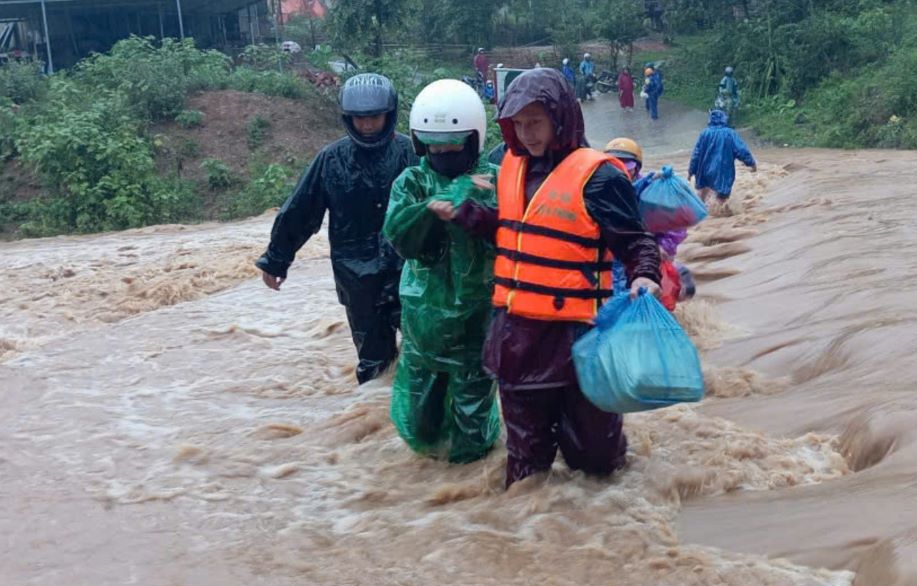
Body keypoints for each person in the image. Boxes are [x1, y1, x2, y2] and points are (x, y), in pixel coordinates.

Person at [435, 68, 662, 489]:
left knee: (596, 461)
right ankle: (525, 537)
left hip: (579, 340)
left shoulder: (600, 177)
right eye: (517, 125)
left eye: (534, 122)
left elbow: (636, 242)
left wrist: (645, 275)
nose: (526, 134)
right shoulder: (511, 168)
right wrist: (469, 216)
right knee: (525, 465)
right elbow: (516, 231)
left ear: (560, 117)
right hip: (518, 340)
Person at [256, 73, 415, 384]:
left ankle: (413, 427)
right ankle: (371, 422)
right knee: (374, 365)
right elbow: (300, 211)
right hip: (357, 281)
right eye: (359, 118)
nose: (367, 125)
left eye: (374, 117)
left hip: (409, 274)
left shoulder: (411, 154)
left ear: (390, 114)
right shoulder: (331, 160)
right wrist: (277, 259)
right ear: (348, 118)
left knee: (423, 355)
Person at [380, 80, 500, 463]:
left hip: (476, 322)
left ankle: (469, 492)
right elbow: (399, 235)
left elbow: (512, 231)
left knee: (473, 428)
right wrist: (432, 206)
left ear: (473, 140)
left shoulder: (494, 179)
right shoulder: (412, 182)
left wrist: (469, 200)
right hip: (424, 323)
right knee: (421, 423)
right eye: (434, 145)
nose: (443, 152)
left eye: (452, 144)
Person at [604, 137, 694, 309]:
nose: (621, 173)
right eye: (615, 167)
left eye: (626, 168)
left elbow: (675, 227)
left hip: (649, 256)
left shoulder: (652, 192)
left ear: (636, 168)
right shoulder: (600, 192)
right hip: (615, 261)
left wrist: (662, 246)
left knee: (667, 292)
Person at [688, 109, 757, 216]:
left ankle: (697, 216)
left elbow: (696, 154)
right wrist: (751, 164)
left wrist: (691, 171)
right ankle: (722, 218)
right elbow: (742, 151)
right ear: (724, 119)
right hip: (722, 172)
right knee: (721, 198)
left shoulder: (704, 134)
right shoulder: (730, 134)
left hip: (704, 171)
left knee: (702, 194)